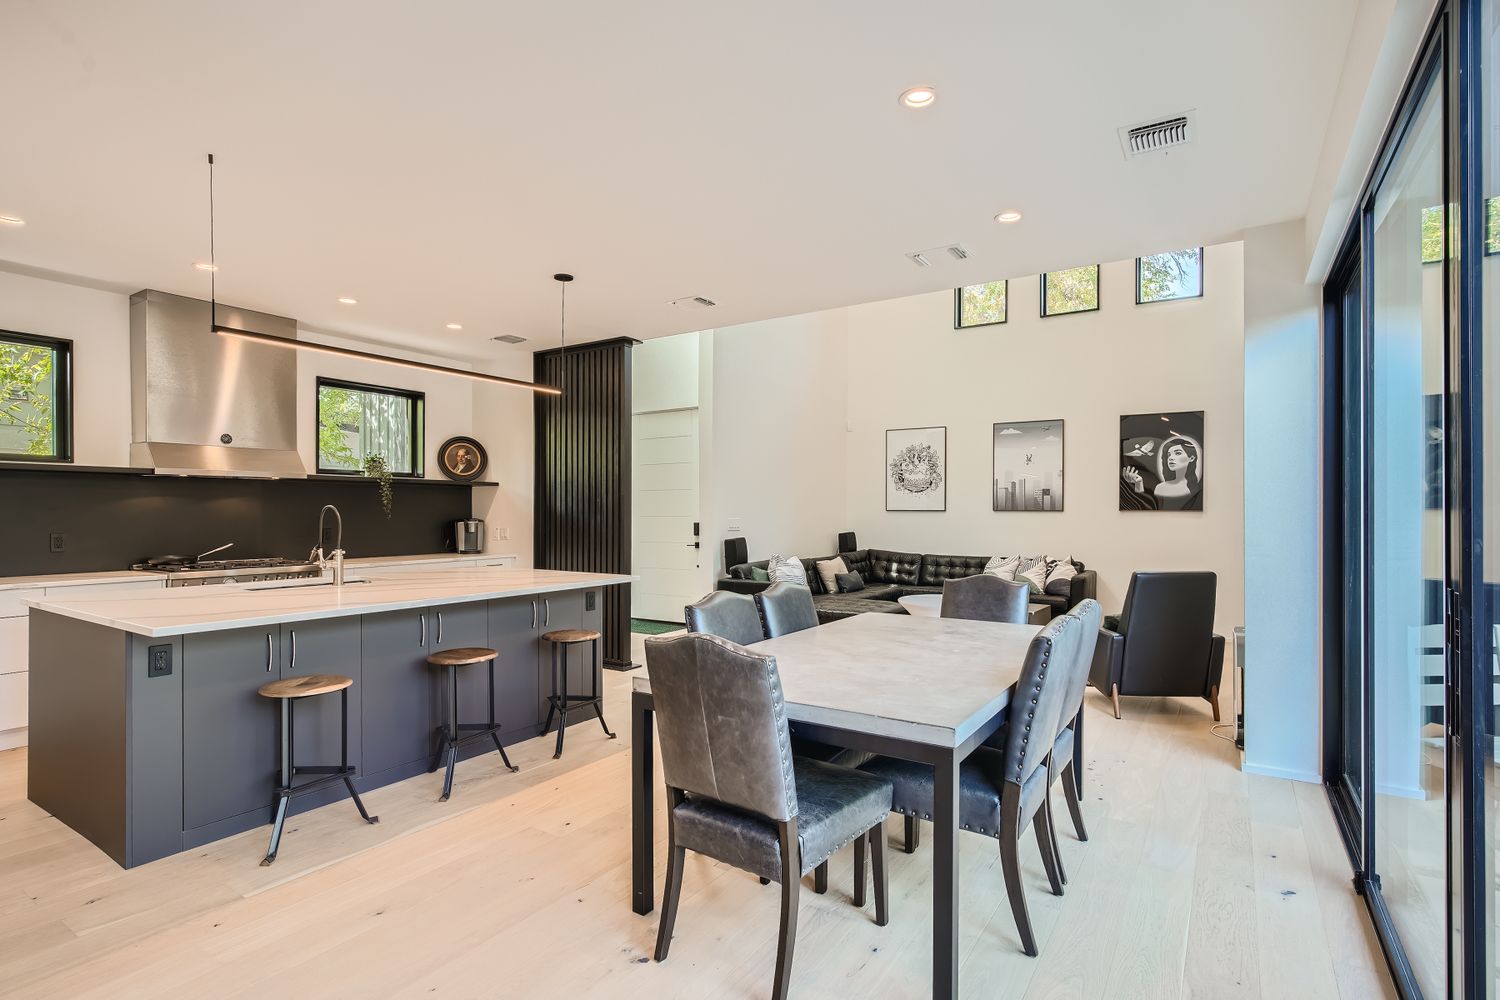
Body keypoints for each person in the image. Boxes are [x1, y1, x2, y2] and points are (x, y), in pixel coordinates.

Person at [1122, 434, 1202, 511]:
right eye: (1169, 455)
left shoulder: (1197, 490)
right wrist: (1138, 484)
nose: (1171, 458)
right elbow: (1148, 508)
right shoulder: (1161, 487)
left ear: (1191, 458)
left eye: (1178, 453)